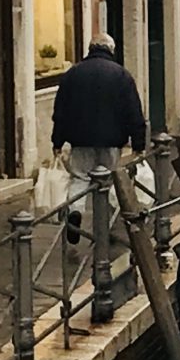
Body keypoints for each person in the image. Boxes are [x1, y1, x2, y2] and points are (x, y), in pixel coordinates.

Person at [51, 33, 147, 243]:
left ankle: (75, 212)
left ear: (90, 48)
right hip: (112, 142)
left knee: (80, 178)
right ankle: (107, 226)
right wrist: (139, 144)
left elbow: (60, 111)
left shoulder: (72, 74)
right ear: (111, 50)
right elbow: (133, 112)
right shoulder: (121, 75)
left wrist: (57, 142)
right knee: (111, 182)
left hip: (80, 141)